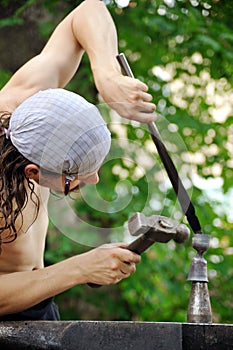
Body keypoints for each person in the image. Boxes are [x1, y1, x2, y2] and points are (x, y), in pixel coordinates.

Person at [0, 0, 156, 321]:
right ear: (33, 171)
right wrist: (79, 268)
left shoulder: (25, 100)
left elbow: (87, 10)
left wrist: (108, 76)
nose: (93, 181)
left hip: (41, 301)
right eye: (76, 177)